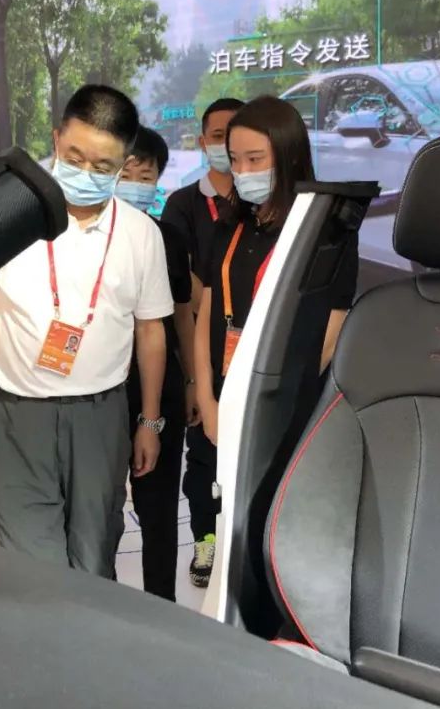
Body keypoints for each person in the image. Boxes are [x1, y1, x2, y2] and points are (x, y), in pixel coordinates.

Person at [0, 84, 173, 579]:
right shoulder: (8, 217)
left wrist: (150, 420)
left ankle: (88, 631)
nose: (86, 173)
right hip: (18, 412)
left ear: (122, 165)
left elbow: (151, 332)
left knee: (94, 555)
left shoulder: (140, 234)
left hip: (101, 416)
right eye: (75, 157)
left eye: (102, 166)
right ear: (56, 139)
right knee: (29, 562)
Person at [193, 96, 358, 561]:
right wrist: (207, 399)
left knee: (274, 528)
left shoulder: (324, 232)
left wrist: (273, 403)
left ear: (287, 156)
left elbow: (332, 328)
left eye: (255, 159)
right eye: (235, 159)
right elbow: (208, 313)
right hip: (223, 399)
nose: (242, 171)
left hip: (283, 410)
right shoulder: (230, 225)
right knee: (220, 513)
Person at [161, 97, 244, 588]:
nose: (226, 145)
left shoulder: (265, 206)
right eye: (218, 135)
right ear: (202, 140)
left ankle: (245, 549)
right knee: (203, 456)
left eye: (236, 136)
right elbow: (182, 280)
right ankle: (205, 541)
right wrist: (221, 298)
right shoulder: (182, 205)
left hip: (256, 350)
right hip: (204, 348)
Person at [116, 125, 198, 601]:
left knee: (159, 509)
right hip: (103, 390)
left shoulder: (167, 237)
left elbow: (182, 314)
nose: (136, 184)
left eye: (147, 176)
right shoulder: (88, 238)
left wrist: (191, 380)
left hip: (161, 387)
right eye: (127, 173)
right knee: (100, 511)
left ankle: (161, 605)